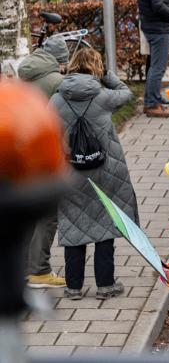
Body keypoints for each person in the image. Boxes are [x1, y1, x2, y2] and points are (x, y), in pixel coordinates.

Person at [51, 46, 137, 300]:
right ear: (97, 69)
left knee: (73, 226)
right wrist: (108, 75)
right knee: (105, 225)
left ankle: (74, 287)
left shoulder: (56, 99)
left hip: (69, 171)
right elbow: (127, 93)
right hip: (104, 169)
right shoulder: (103, 96)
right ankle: (105, 285)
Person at [19, 37, 69, 289]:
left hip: (18, 155)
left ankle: (21, 269)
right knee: (47, 214)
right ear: (61, 61)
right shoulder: (57, 83)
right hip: (42, 156)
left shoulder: (24, 74)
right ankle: (39, 270)